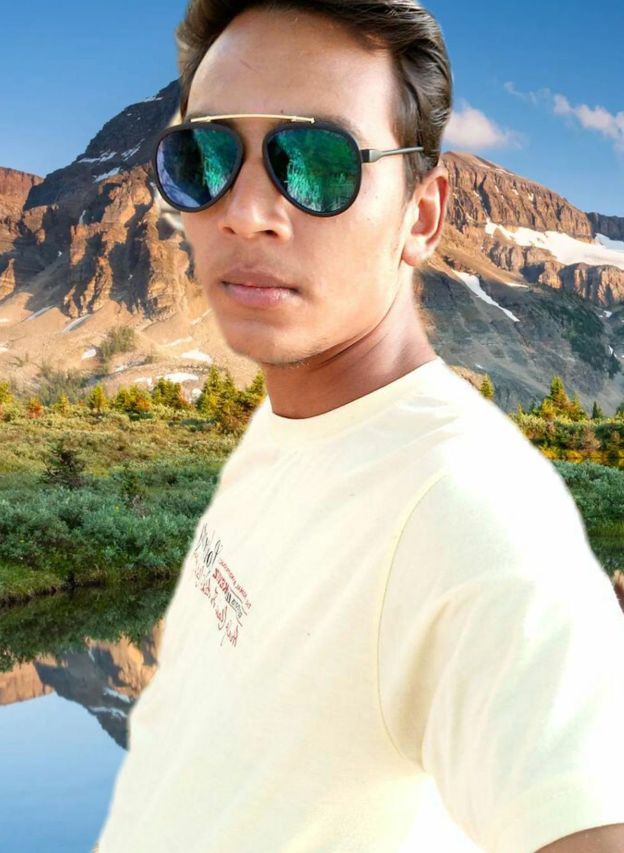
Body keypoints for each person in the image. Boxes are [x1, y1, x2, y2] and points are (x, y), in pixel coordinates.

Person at [95, 1, 624, 851]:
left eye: (316, 163)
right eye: (205, 159)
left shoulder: (474, 515)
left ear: (422, 215)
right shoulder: (296, 422)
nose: (246, 212)